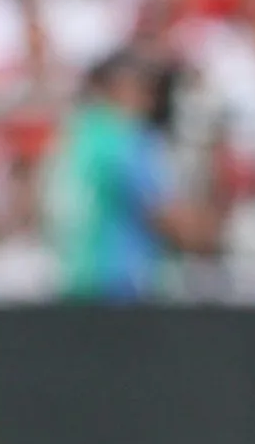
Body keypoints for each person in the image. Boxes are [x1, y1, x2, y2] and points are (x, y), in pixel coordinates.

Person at [43, 53, 191, 301]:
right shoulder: (126, 140)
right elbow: (160, 212)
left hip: (75, 274)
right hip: (121, 279)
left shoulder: (79, 134)